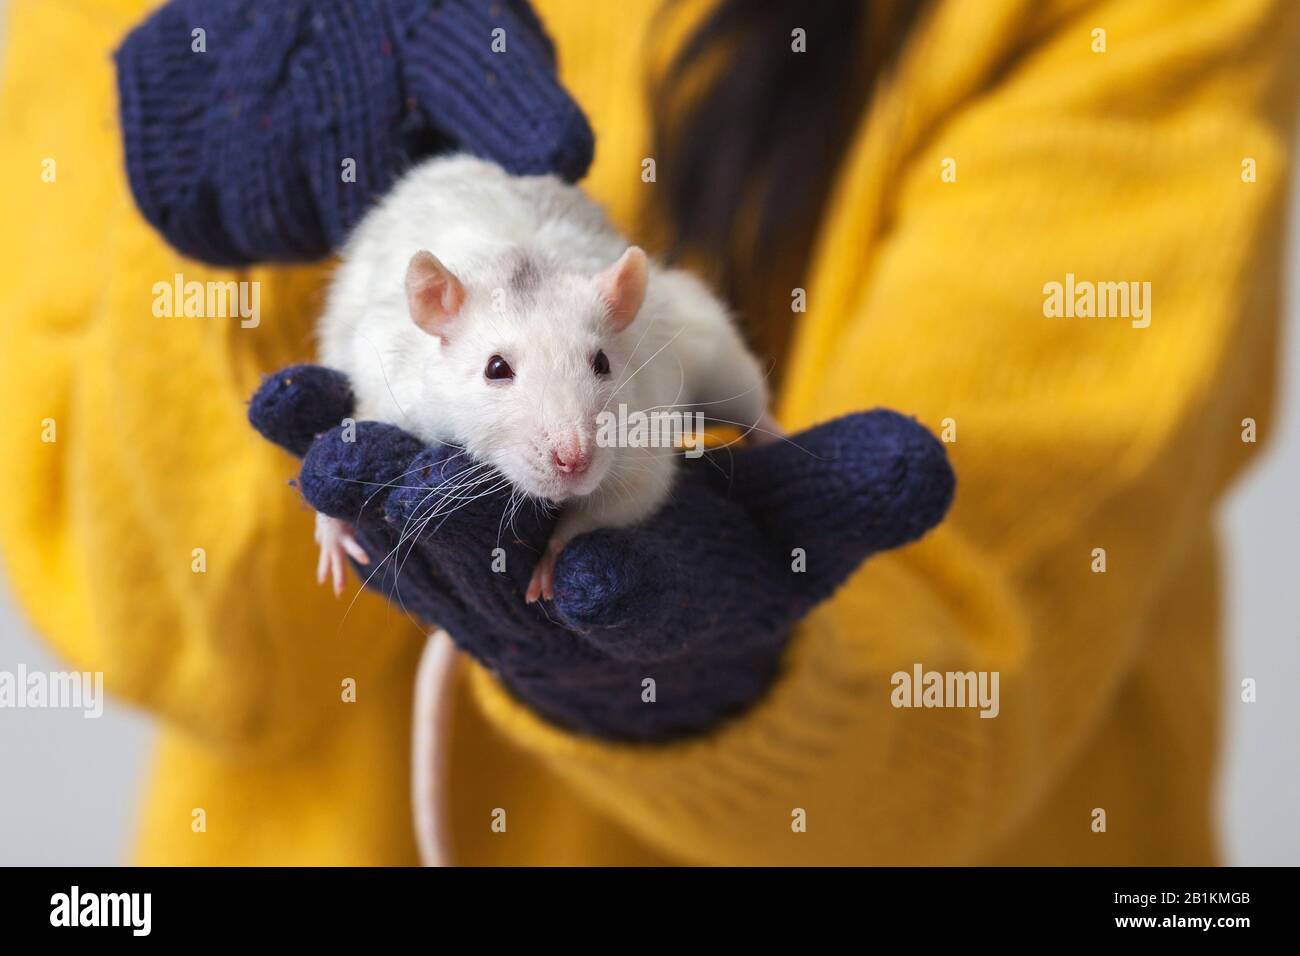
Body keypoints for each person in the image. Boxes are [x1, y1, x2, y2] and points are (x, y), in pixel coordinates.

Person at [1, 0, 1296, 866]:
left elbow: (959, 707)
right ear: (435, 325)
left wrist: (721, 678)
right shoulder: (398, 338)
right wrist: (252, 232)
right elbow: (161, 632)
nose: (571, 448)